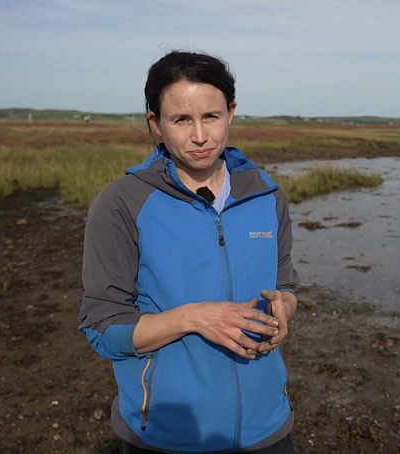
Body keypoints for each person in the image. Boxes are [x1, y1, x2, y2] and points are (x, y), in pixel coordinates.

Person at [78, 50, 299, 453]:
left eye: (211, 117)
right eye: (182, 119)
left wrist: (285, 307)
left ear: (231, 112)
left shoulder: (266, 197)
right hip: (166, 436)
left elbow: (285, 284)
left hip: (268, 428)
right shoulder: (121, 204)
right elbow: (101, 328)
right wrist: (194, 318)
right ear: (155, 124)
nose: (200, 136)